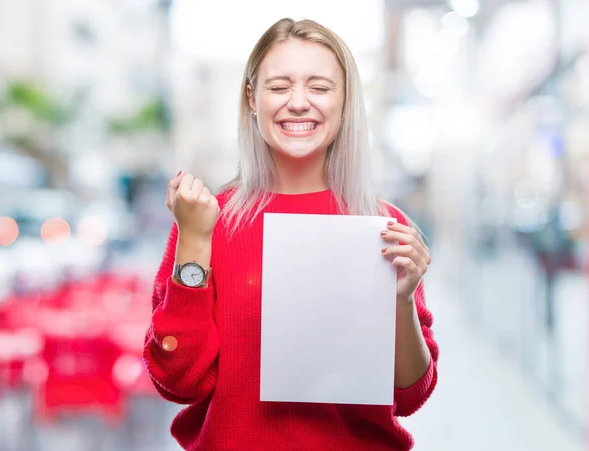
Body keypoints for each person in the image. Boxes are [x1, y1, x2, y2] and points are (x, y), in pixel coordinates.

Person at [143, 17, 438, 451]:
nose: (298, 103)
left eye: (319, 87)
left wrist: (402, 297)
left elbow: (411, 393)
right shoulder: (208, 220)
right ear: (252, 98)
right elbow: (177, 380)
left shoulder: (382, 224)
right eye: (279, 86)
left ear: (345, 100)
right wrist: (193, 241)